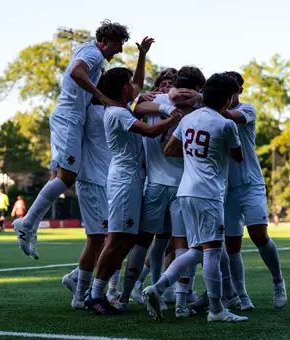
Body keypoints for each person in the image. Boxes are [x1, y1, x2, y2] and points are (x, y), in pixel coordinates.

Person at [12, 20, 130, 260]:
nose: (119, 50)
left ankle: (30, 226)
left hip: (68, 117)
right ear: (105, 41)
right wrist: (101, 96)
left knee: (59, 176)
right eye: (118, 44)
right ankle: (27, 222)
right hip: (69, 118)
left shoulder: (90, 52)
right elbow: (77, 72)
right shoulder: (93, 53)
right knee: (67, 177)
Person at [143, 73, 248, 323]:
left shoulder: (188, 119)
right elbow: (238, 156)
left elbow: (170, 149)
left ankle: (157, 288)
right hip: (209, 192)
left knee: (196, 250)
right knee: (212, 250)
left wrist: (194, 159)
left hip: (186, 191)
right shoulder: (226, 124)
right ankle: (215, 309)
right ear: (229, 98)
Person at [61, 36, 154, 310]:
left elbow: (134, 86)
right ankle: (86, 293)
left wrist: (141, 57)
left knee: (112, 239)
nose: (133, 89)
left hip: (110, 179)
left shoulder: (116, 107)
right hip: (94, 179)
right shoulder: (100, 111)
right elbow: (79, 75)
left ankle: (82, 283)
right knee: (102, 239)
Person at [85, 65, 185, 315]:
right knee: (116, 240)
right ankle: (96, 295)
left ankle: (98, 292)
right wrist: (173, 117)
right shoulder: (118, 113)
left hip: (131, 181)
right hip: (123, 182)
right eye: (131, 83)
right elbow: (151, 131)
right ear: (123, 88)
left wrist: (142, 60)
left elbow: (140, 102)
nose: (135, 86)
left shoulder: (122, 110)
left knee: (126, 240)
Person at [119, 66, 206, 318]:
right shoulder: (199, 106)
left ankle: (124, 297)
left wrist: (164, 105)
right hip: (183, 185)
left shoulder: (155, 100)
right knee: (182, 244)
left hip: (155, 184)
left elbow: (137, 109)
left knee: (144, 242)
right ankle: (180, 304)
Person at [220, 71, 287, 310]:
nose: (231, 94)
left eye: (234, 89)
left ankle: (278, 281)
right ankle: (241, 295)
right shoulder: (211, 111)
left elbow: (228, 115)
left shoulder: (248, 110)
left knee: (259, 235)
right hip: (225, 188)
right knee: (231, 245)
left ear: (239, 90)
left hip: (250, 183)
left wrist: (201, 104)